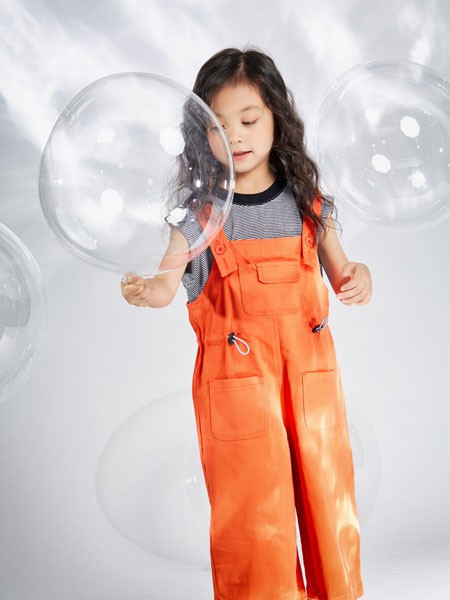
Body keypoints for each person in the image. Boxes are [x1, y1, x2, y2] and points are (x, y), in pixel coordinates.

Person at [122, 47, 372, 600]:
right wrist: (148, 290)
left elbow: (344, 273)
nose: (234, 136)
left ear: (277, 117)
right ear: (200, 134)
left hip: (312, 384)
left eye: (249, 119)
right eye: (218, 125)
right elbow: (167, 283)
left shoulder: (311, 205)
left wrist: (361, 277)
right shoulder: (198, 216)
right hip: (237, 390)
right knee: (255, 515)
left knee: (329, 500)